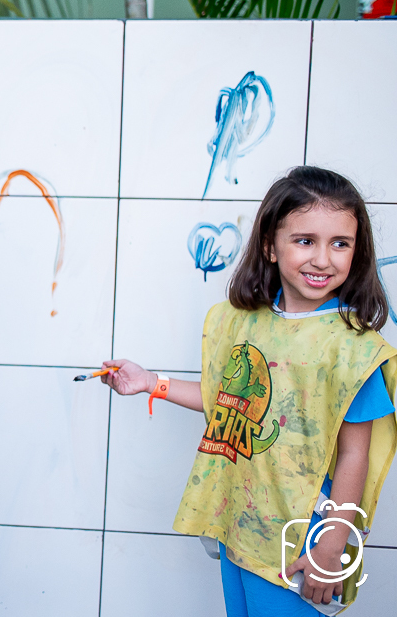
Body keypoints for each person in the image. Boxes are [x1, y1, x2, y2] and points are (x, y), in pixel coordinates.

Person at [105, 166, 396, 616]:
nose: (323, 259)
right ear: (269, 246)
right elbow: (231, 405)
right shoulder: (249, 322)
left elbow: (355, 454)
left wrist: (333, 545)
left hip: (298, 538)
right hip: (241, 524)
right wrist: (151, 383)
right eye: (305, 241)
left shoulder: (351, 348)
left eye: (340, 243)